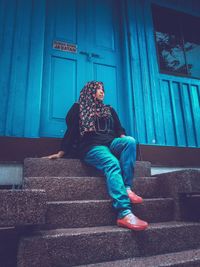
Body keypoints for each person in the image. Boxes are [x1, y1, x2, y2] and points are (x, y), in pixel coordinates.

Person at [44, 81, 148, 231]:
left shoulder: (109, 109)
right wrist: (62, 152)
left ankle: (127, 187)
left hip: (111, 142)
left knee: (130, 141)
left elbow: (119, 129)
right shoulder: (79, 108)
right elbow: (72, 131)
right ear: (89, 91)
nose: (102, 92)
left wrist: (124, 139)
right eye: (98, 89)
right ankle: (124, 213)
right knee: (112, 163)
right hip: (92, 147)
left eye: (103, 89)